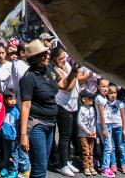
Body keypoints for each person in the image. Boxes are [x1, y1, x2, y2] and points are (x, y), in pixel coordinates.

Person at [17, 40, 58, 178]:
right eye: (42, 55)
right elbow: (25, 105)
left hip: (51, 124)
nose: (46, 56)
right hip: (37, 126)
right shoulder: (28, 78)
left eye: (46, 53)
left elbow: (64, 85)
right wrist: (23, 135)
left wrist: (74, 71)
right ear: (34, 59)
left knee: (41, 167)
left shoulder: (49, 69)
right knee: (39, 169)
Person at [52, 47, 80, 177]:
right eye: (61, 58)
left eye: (65, 57)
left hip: (73, 105)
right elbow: (68, 87)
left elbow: (76, 80)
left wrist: (73, 75)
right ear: (55, 59)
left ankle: (67, 160)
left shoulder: (68, 65)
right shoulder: (54, 70)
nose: (64, 60)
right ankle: (62, 164)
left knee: (69, 136)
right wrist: (74, 73)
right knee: (64, 136)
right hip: (63, 106)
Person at [98, 83, 125, 177]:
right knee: (112, 147)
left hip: (119, 126)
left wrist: (124, 129)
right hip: (110, 126)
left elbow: (124, 117)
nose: (113, 95)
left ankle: (124, 164)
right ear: (107, 93)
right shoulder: (105, 102)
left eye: (115, 93)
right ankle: (113, 164)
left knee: (121, 146)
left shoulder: (120, 103)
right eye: (111, 93)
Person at [76, 92, 97, 177]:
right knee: (86, 151)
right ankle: (86, 167)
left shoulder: (92, 108)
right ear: (83, 100)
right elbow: (79, 122)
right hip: (83, 134)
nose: (92, 100)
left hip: (91, 133)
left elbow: (94, 120)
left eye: (92, 98)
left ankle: (91, 166)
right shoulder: (81, 109)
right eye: (90, 98)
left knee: (91, 151)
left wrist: (94, 131)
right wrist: (87, 131)